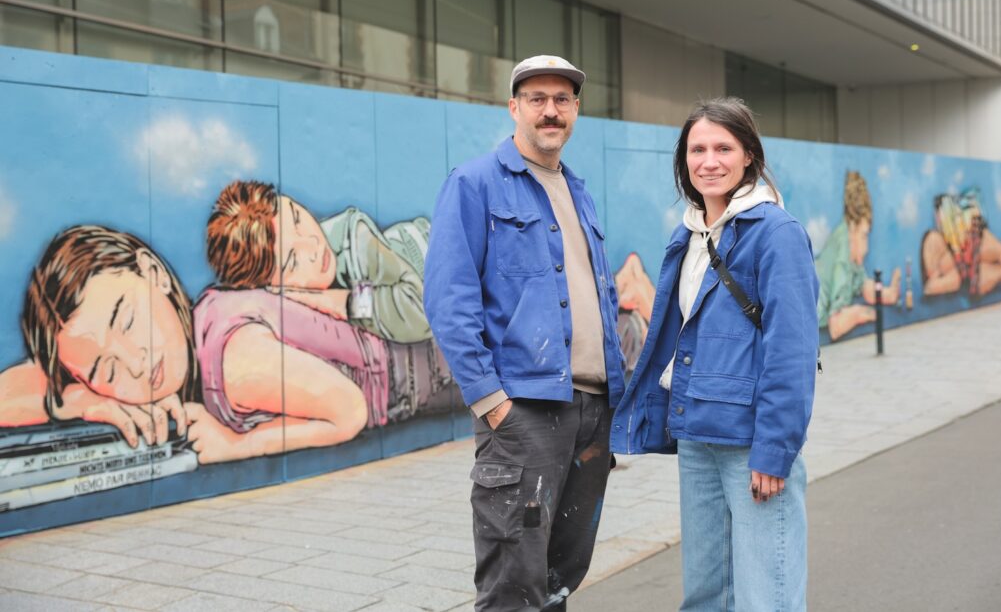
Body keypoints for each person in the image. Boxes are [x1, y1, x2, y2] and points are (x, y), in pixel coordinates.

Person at [424, 55, 625, 611]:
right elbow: (448, 300)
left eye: (562, 100)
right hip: (525, 415)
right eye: (536, 99)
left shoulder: (576, 191)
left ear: (576, 110)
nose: (550, 110)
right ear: (514, 107)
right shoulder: (474, 184)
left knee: (559, 577)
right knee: (513, 585)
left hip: (590, 411)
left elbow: (598, 296)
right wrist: (493, 404)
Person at [610, 98, 819, 611]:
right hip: (697, 436)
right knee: (705, 594)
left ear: (749, 155)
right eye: (697, 148)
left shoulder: (775, 234)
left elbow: (791, 353)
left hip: (751, 443)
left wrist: (775, 450)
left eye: (723, 147)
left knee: (764, 594)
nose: (709, 161)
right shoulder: (690, 234)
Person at [0, 225, 195, 448]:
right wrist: (76, 401)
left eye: (128, 322)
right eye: (109, 373)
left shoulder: (223, 339)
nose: (135, 366)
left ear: (153, 271)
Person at [206, 180, 431, 343]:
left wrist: (344, 303)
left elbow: (420, 309)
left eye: (297, 218)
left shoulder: (352, 240)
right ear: (273, 288)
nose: (313, 243)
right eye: (292, 260)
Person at [814, 170, 900, 341]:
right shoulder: (843, 252)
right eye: (864, 235)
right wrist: (866, 313)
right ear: (852, 228)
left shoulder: (847, 242)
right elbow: (836, 326)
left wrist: (888, 293)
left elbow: (864, 287)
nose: (866, 247)